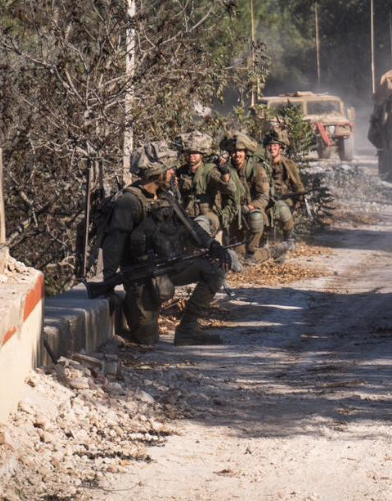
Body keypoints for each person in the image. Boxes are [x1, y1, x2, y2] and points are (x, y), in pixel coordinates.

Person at [99, 141, 229, 346]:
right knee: (147, 340)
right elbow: (114, 245)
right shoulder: (130, 202)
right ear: (157, 172)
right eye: (169, 170)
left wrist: (213, 246)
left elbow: (190, 227)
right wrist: (108, 284)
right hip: (142, 277)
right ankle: (133, 306)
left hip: (168, 267)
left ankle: (188, 329)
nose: (173, 174)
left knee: (214, 269)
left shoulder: (166, 196)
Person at [221, 132, 270, 261]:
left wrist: (251, 206)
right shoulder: (225, 170)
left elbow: (264, 197)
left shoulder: (257, 169)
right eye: (233, 151)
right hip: (233, 213)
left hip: (250, 211)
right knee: (235, 254)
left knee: (256, 217)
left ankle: (254, 252)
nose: (237, 155)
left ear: (246, 152)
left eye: (240, 151)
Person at [175, 131, 231, 238]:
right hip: (187, 215)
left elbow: (229, 188)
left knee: (199, 229)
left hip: (207, 215)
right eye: (189, 153)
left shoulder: (209, 171)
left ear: (201, 155)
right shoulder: (181, 172)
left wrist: (224, 172)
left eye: (195, 153)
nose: (192, 156)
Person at [264, 130, 305, 252]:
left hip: (284, 198)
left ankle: (288, 239)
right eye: (270, 146)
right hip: (266, 197)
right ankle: (264, 239)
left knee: (282, 209)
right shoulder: (262, 165)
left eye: (275, 145)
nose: (272, 148)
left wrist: (300, 199)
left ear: (280, 148)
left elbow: (297, 184)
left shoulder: (288, 164)